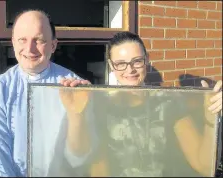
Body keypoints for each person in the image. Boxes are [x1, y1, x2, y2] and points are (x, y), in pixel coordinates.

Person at [89, 32, 222, 177]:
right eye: (121, 63)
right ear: (111, 65)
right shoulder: (101, 107)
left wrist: (211, 113)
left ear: (147, 60)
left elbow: (203, 166)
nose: (130, 70)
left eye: (137, 61)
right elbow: (97, 168)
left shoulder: (168, 103)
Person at [0, 9, 92, 177]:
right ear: (13, 43)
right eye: (22, 40)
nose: (29, 49)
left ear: (53, 45)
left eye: (38, 40)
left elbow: (83, 156)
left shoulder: (74, 87)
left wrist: (84, 111)